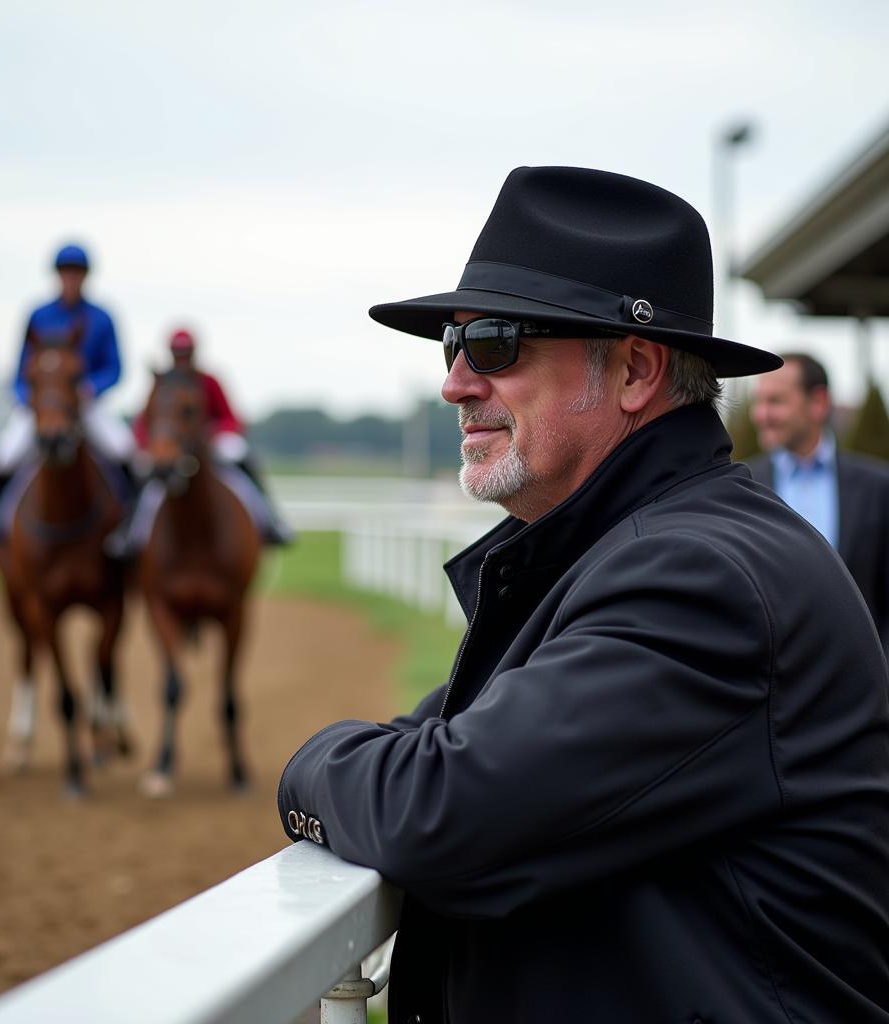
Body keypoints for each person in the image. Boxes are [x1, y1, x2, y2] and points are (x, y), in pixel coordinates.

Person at [276, 167, 889, 1022]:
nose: (455, 382)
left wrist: (307, 768)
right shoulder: (620, 552)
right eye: (451, 347)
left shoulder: (698, 576)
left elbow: (439, 810)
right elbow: (447, 746)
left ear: (636, 369)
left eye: (494, 343)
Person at [0, 243, 134, 538]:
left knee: (124, 448)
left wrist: (90, 388)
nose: (71, 278)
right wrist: (28, 400)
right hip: (43, 405)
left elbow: (115, 368)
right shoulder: (39, 315)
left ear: (85, 276)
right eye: (66, 272)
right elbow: (21, 370)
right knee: (5, 454)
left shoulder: (102, 317)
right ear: (58, 275)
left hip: (84, 403)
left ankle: (129, 524)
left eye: (76, 272)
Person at [104, 327, 292, 556]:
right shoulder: (162, 384)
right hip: (171, 447)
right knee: (145, 478)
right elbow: (145, 422)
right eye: (177, 352)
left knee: (239, 453)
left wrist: (212, 434)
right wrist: (148, 444)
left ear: (194, 353)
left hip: (208, 443)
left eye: (186, 352)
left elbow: (231, 419)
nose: (182, 358)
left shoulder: (208, 381)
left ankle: (270, 519)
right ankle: (130, 531)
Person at [749, 352, 889, 652]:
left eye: (776, 401)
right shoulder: (744, 486)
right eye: (758, 402)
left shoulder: (878, 488)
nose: (761, 415)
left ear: (818, 402)